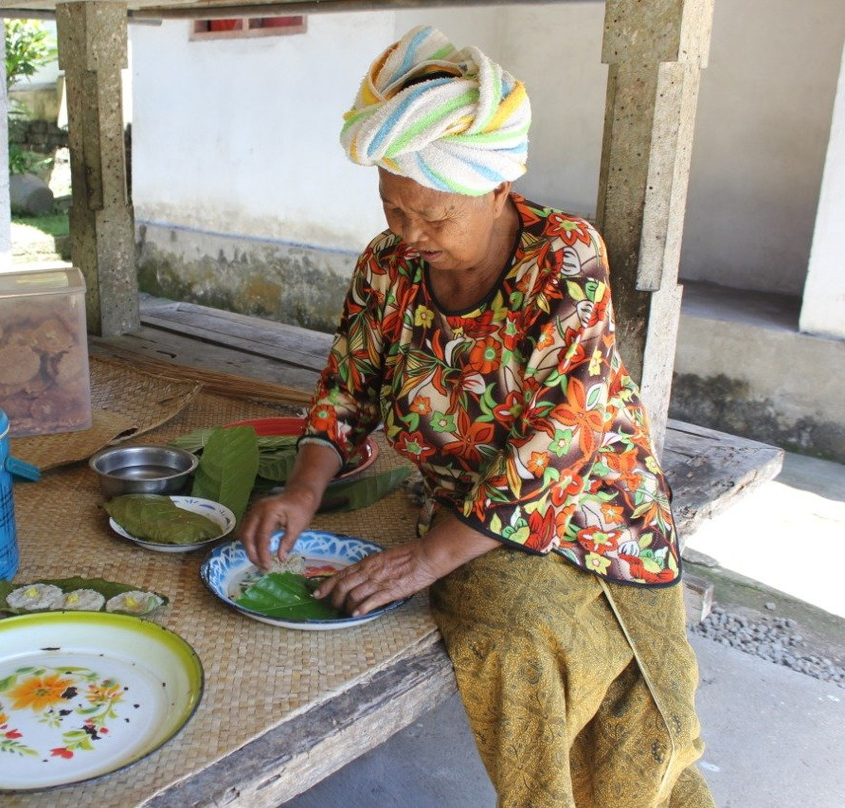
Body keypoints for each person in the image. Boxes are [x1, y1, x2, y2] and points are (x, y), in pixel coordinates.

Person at [240, 26, 715, 807]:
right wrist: (303, 489)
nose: (410, 234)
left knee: (584, 684)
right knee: (504, 630)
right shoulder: (387, 267)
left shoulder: (562, 259)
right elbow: (346, 391)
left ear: (498, 191)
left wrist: (427, 558)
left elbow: (560, 440)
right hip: (472, 507)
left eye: (433, 217)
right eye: (394, 208)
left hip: (596, 508)